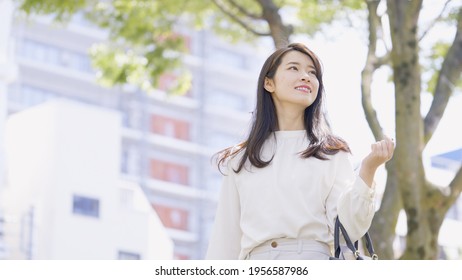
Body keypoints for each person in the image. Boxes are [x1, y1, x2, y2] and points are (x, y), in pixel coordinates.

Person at [205, 42, 394, 260]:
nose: (305, 76)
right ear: (269, 83)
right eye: (294, 68)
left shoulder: (332, 153)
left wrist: (369, 169)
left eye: (312, 72)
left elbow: (348, 229)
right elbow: (224, 241)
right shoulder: (241, 159)